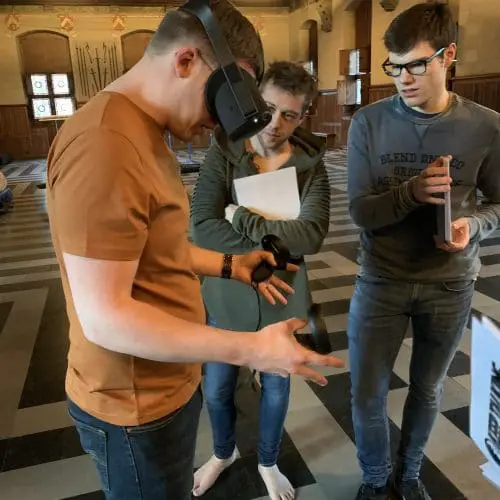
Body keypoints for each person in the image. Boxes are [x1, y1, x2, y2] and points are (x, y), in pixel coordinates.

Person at [45, 3, 343, 500]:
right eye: (226, 99)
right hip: (133, 405)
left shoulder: (143, 132)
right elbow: (105, 319)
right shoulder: (104, 144)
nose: (223, 122)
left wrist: (230, 263)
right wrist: (250, 350)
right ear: (186, 61)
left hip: (164, 383)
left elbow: (152, 253)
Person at [346, 3, 500, 500]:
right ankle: (375, 482)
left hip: (449, 282)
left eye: (416, 64)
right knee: (367, 393)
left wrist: (471, 225)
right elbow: (361, 212)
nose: (403, 79)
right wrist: (412, 192)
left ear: (448, 56)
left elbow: (498, 204)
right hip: (381, 278)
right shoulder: (368, 123)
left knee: (428, 388)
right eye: (394, 67)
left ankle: (408, 475)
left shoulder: (486, 126)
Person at [190, 61, 330, 500]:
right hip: (227, 291)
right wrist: (271, 241)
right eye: (268, 109)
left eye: (289, 115)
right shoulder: (224, 152)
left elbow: (311, 235)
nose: (274, 123)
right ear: (254, 102)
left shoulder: (310, 165)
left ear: (303, 116)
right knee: (217, 388)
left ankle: (268, 461)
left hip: (281, 295)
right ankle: (223, 452)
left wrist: (241, 217)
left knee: (276, 384)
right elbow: (202, 227)